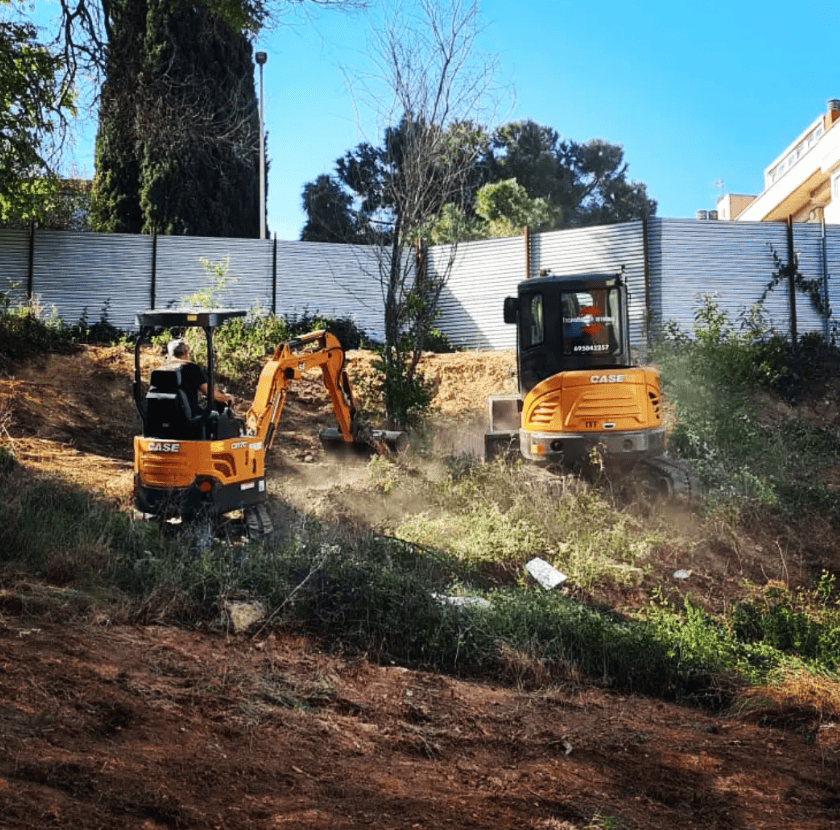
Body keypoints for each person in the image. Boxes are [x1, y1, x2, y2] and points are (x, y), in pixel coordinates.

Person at [164, 339, 232, 415]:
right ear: (186, 352)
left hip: (163, 415)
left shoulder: (161, 371)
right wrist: (227, 398)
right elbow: (211, 394)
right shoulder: (191, 368)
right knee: (217, 411)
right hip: (187, 417)